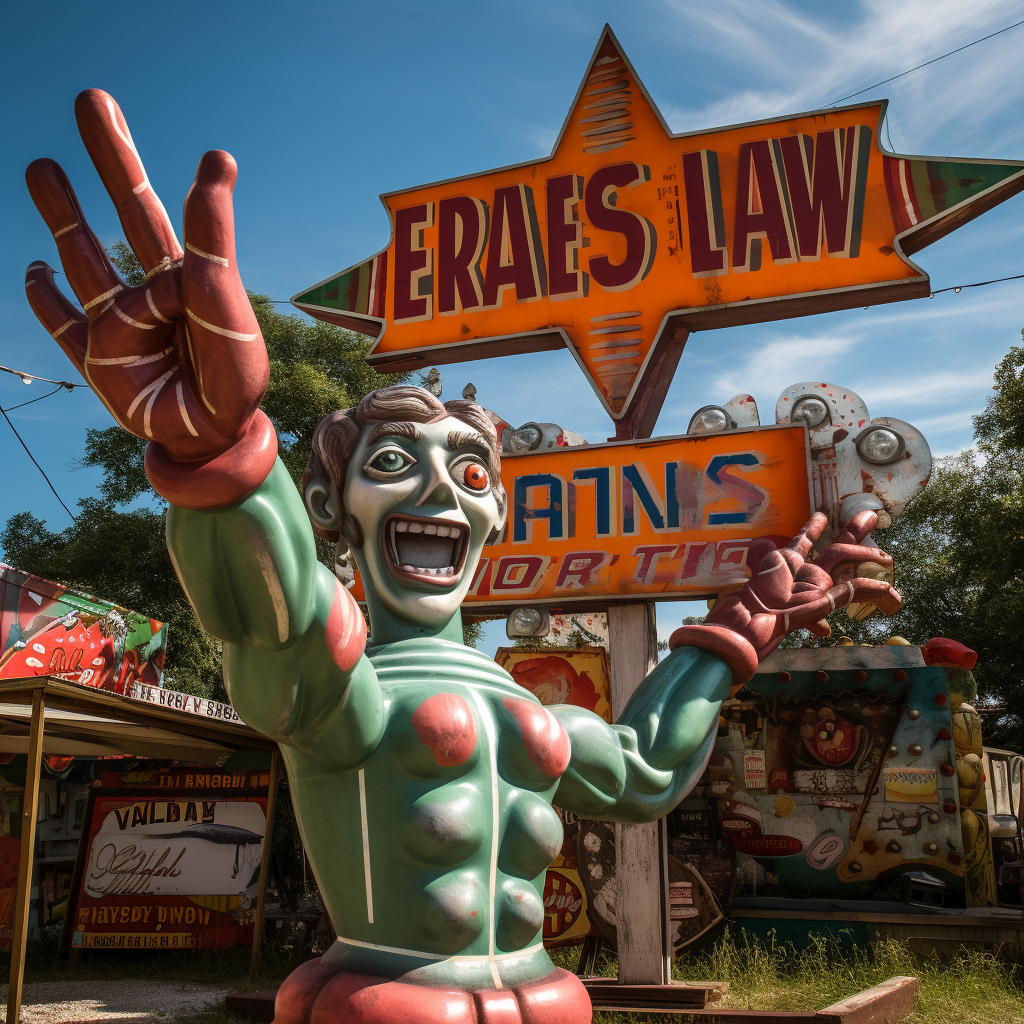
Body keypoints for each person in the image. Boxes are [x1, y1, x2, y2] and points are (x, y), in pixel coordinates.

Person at [24, 90, 901, 1024]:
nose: (442, 492)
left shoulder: (523, 704)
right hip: (384, 1000)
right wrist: (222, 456)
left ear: (494, 519)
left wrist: (741, 625)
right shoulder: (339, 682)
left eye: (473, 474)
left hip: (547, 999)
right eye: (395, 465)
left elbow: (642, 769)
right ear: (330, 506)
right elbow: (267, 613)